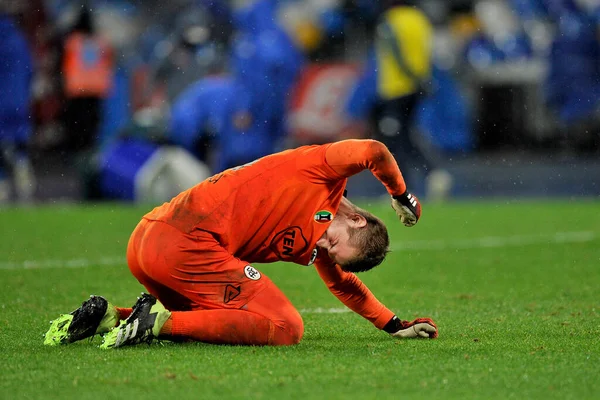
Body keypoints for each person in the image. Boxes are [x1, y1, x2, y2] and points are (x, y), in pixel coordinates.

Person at [44, 139, 438, 348]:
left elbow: (342, 284)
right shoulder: (322, 171)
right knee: (286, 326)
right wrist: (401, 194)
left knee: (216, 318)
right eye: (333, 241)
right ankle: (155, 321)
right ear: (354, 217)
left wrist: (393, 324)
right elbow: (373, 151)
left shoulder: (316, 239)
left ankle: (113, 317)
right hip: (184, 242)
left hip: (153, 242)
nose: (323, 248)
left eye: (330, 252)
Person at [345, 0, 452, 200]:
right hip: (415, 89)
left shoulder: (390, 21)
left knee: (394, 139)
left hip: (395, 89)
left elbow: (396, 54)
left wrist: (411, 77)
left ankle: (403, 189)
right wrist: (422, 81)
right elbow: (429, 53)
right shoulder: (420, 19)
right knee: (406, 133)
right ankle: (432, 173)